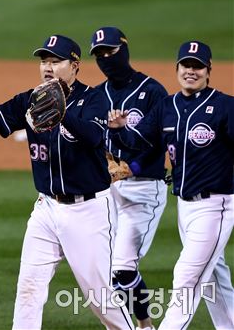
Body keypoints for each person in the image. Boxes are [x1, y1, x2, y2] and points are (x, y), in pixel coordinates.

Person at [0, 35, 134, 329]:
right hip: (46, 209)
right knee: (29, 287)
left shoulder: (94, 99)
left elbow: (95, 137)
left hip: (88, 211)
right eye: (44, 60)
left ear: (75, 66)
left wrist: (63, 114)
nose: (47, 66)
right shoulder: (31, 100)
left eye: (55, 61)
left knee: (100, 298)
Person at [107, 41, 234, 330]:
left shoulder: (227, 106)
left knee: (186, 277)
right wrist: (119, 131)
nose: (191, 71)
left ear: (208, 70)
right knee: (215, 276)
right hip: (186, 209)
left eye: (197, 66)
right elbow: (139, 142)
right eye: (186, 65)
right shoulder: (167, 106)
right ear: (177, 68)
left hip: (217, 206)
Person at [90, 26, 169, 330]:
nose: (106, 58)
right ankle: (143, 323)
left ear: (124, 49)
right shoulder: (97, 95)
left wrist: (131, 168)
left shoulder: (153, 91)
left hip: (145, 189)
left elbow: (159, 144)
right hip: (108, 192)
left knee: (122, 269)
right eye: (99, 54)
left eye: (110, 51)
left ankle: (142, 324)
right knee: (108, 270)